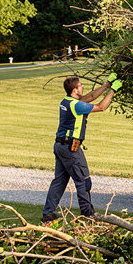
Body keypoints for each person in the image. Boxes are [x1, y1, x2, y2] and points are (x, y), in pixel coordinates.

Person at [42, 74, 121, 222]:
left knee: (59, 181)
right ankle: (88, 214)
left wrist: (107, 84)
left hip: (60, 146)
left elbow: (90, 96)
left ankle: (48, 213)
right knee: (83, 180)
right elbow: (101, 107)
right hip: (70, 148)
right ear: (74, 91)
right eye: (80, 86)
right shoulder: (76, 105)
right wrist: (113, 91)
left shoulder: (67, 101)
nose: (82, 86)